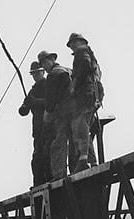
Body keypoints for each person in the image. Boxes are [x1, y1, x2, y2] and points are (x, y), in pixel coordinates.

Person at [37, 50, 79, 180]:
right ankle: (77, 170)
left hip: (64, 114)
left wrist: (48, 114)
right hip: (77, 111)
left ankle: (59, 175)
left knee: (58, 145)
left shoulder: (53, 74)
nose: (44, 66)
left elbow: (51, 99)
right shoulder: (68, 70)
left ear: (50, 60)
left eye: (44, 63)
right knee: (76, 142)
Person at [66, 32, 104, 170]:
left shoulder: (81, 51)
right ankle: (91, 161)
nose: (72, 48)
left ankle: (83, 160)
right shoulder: (90, 55)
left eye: (72, 44)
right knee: (83, 127)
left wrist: (74, 84)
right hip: (93, 93)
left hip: (87, 94)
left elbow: (84, 66)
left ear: (78, 42)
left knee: (80, 126)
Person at [18, 61, 51, 186]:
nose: (35, 75)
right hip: (38, 130)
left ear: (43, 72)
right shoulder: (33, 91)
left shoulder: (49, 85)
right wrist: (24, 106)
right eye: (33, 74)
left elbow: (51, 103)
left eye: (37, 73)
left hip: (49, 127)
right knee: (37, 160)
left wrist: (34, 102)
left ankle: (48, 181)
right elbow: (23, 110)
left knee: (47, 157)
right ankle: (38, 184)